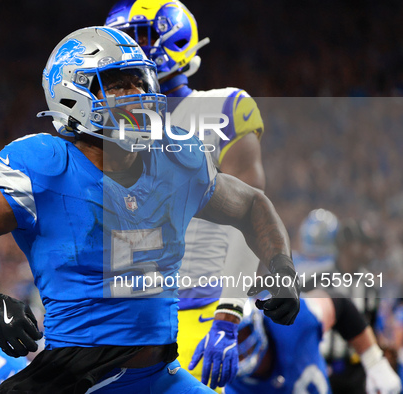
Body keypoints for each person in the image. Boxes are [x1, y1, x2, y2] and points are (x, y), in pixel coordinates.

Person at [0, 26, 299, 393]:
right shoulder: (46, 167)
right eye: (120, 84)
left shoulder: (176, 157)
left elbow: (251, 203)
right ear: (73, 96)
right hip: (77, 376)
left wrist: (280, 267)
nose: (138, 93)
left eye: (140, 80)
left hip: (159, 376)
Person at [105, 0, 266, 388]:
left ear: (172, 34)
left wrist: (229, 313)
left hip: (204, 309)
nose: (127, 55)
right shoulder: (114, 129)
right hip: (139, 317)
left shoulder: (223, 108)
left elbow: (255, 217)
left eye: (137, 39)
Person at [226, 294, 401, 394]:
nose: (239, 345)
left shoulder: (291, 322)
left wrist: (374, 363)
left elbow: (341, 307)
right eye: (229, 338)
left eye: (241, 334)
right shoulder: (225, 381)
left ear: (256, 322)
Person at [294, 209, 383, 394]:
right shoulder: (314, 281)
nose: (368, 250)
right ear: (346, 245)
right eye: (363, 244)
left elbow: (371, 327)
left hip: (355, 373)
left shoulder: (370, 287)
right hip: (322, 366)